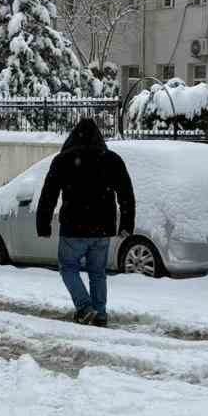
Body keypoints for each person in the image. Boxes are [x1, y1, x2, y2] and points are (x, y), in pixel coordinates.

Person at [34, 118, 135, 327]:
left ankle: (84, 308)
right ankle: (100, 313)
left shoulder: (63, 160)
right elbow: (126, 194)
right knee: (97, 272)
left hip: (74, 227)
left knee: (68, 268)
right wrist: (126, 223)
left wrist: (43, 224)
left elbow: (48, 195)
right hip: (102, 228)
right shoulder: (112, 160)